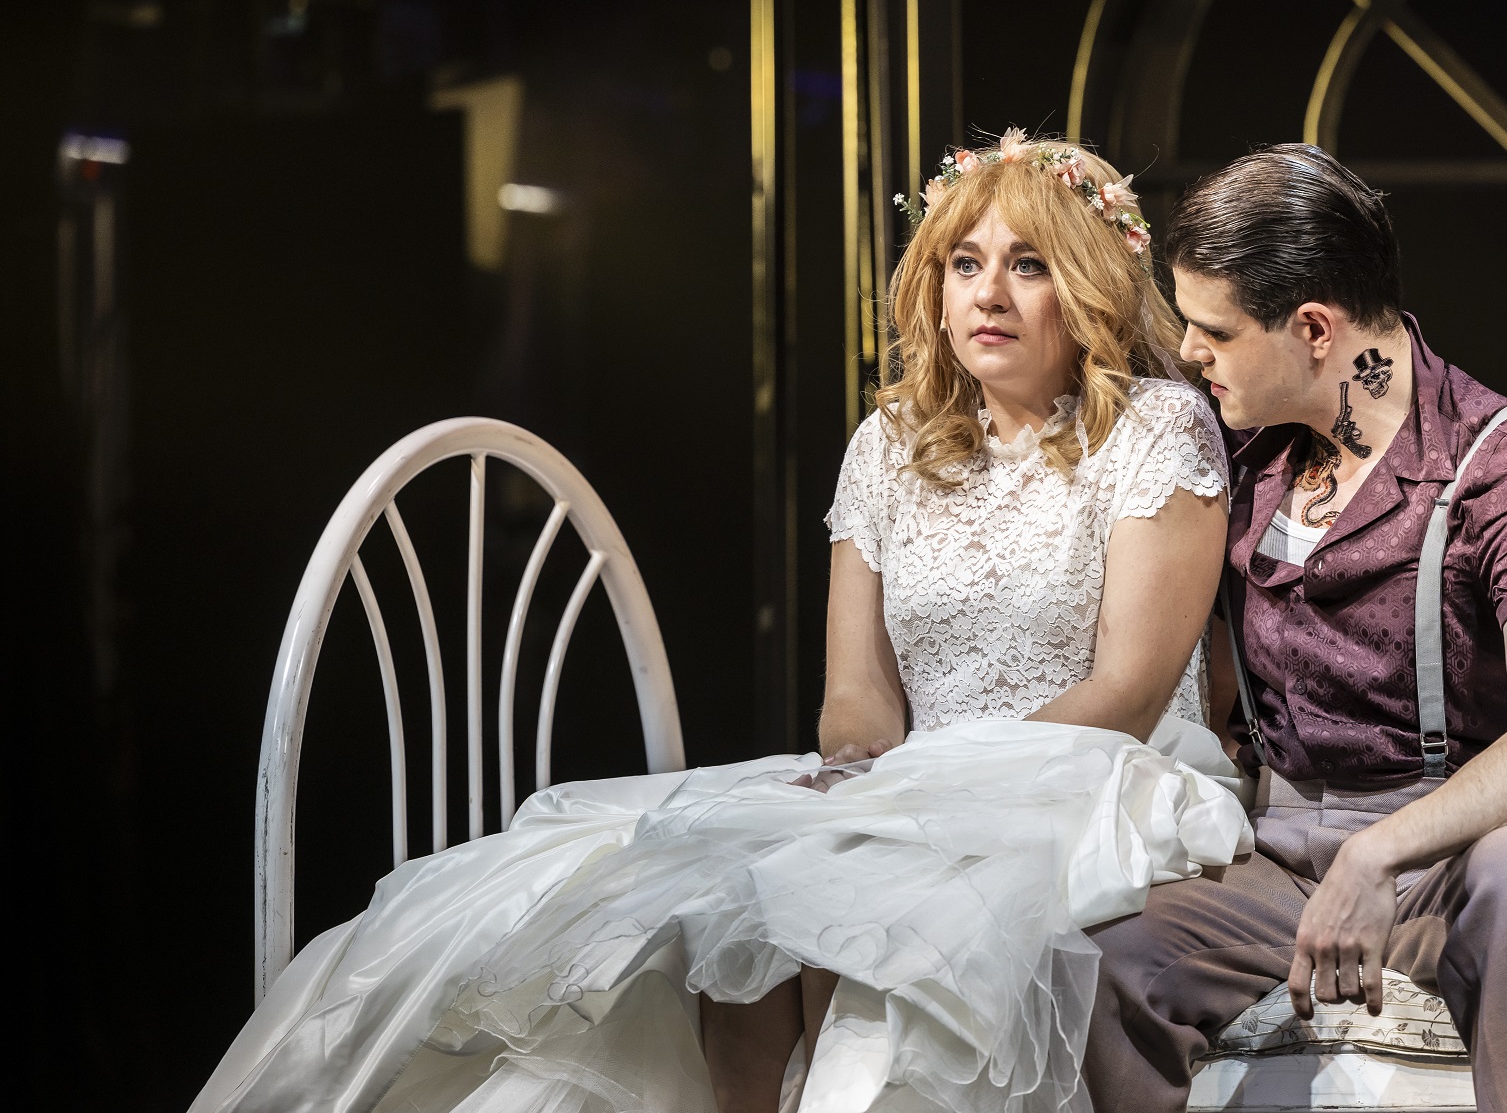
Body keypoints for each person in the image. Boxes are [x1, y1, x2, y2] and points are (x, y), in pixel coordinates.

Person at [189, 130, 1250, 1113]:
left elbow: (1126, 692)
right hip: (912, 783)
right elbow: (855, 693)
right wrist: (863, 771)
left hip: (1095, 778)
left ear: (1087, 282)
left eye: (1028, 264)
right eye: (962, 263)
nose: (987, 293)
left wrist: (930, 790)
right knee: (735, 912)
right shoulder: (890, 443)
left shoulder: (1155, 428)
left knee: (853, 913)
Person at [1084, 144, 1507, 1113]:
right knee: (1098, 948)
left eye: (1214, 329)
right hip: (1273, 854)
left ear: (1313, 328)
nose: (1189, 352)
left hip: (1450, 855)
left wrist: (1381, 852)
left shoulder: (1506, 464)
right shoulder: (1240, 455)